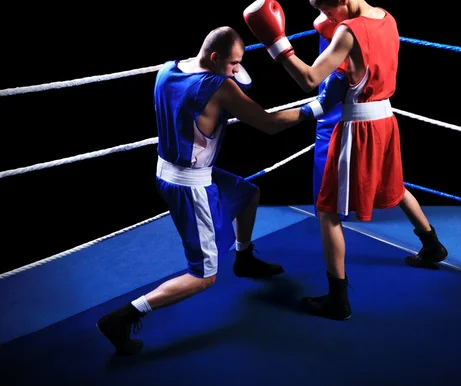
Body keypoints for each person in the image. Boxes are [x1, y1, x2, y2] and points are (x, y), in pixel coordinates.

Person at [96, 26, 344, 355]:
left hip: (173, 169)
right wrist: (318, 106)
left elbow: (204, 92)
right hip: (191, 184)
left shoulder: (168, 69)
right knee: (204, 276)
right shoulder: (218, 86)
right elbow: (268, 124)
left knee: (248, 194)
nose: (236, 70)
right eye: (232, 64)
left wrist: (228, 76)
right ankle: (123, 317)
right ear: (215, 59)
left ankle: (244, 259)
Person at [243, 0, 448, 321]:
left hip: (359, 127)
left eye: (331, 11)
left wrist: (275, 43)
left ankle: (338, 299)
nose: (328, 21)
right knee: (394, 186)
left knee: (327, 211)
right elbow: (341, 34)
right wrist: (330, 20)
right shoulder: (386, 16)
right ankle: (431, 244)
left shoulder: (347, 33)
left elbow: (309, 78)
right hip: (386, 120)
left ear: (343, 0)